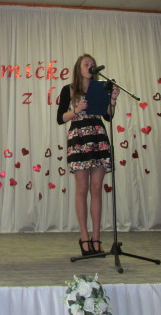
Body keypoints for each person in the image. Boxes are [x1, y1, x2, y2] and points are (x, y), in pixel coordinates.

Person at [57, 53, 120, 256]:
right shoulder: (68, 89)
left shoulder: (100, 88)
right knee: (82, 189)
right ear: (79, 67)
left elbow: (108, 116)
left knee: (97, 189)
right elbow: (60, 118)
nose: (90, 66)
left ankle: (96, 237)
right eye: (86, 64)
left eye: (92, 64)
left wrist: (113, 99)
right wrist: (76, 109)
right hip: (79, 140)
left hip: (98, 137)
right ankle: (84, 236)